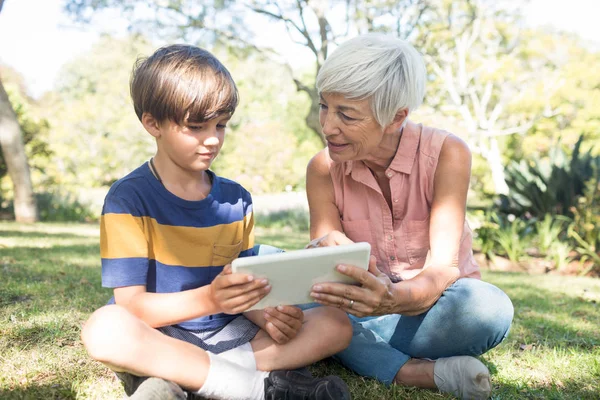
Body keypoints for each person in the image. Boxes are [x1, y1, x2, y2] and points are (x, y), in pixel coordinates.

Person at [81, 44, 353, 400]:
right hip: (161, 332)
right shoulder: (128, 199)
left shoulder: (236, 199)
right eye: (195, 127)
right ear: (152, 123)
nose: (212, 139)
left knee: (336, 324)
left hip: (229, 331)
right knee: (103, 329)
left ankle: (187, 380)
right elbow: (133, 306)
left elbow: (238, 287)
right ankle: (255, 388)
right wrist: (212, 298)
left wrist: (262, 314)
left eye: (221, 125)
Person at [305, 33, 514, 400]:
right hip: (352, 307)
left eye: (346, 115)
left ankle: (341, 341)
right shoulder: (323, 168)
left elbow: (443, 269)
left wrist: (391, 300)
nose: (327, 126)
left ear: (396, 116)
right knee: (262, 265)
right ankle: (409, 371)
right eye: (324, 106)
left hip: (430, 309)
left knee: (489, 309)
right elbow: (321, 258)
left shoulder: (448, 153)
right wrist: (325, 249)